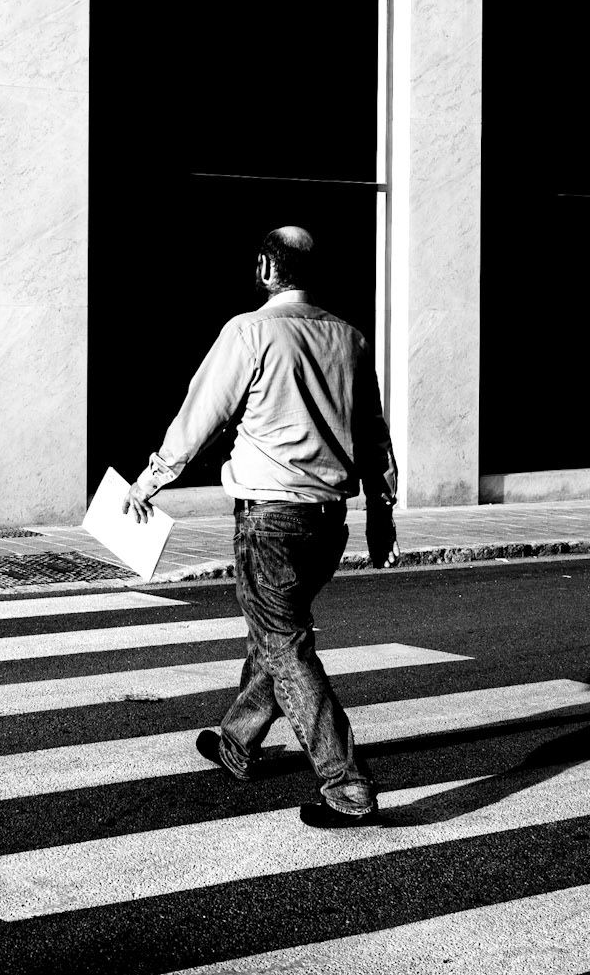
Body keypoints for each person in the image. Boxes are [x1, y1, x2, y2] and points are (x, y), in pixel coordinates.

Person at [122, 225, 397, 827]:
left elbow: (202, 413)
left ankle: (347, 787)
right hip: (329, 523)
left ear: (268, 267)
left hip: (270, 519)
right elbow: (374, 432)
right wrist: (382, 511)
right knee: (276, 635)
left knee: (284, 645)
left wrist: (149, 480)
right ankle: (236, 740)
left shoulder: (248, 330)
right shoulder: (349, 338)